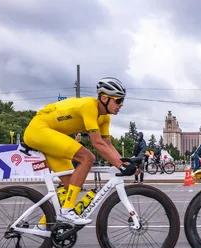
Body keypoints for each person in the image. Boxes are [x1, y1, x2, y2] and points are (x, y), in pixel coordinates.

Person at [24, 77, 137, 225]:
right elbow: (96, 143)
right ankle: (67, 212)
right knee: (87, 157)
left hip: (51, 134)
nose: (121, 105)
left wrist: (124, 162)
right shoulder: (89, 107)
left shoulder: (104, 118)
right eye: (118, 100)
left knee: (71, 186)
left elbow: (107, 144)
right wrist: (121, 166)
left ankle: (44, 225)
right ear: (104, 98)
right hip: (39, 130)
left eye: (122, 101)